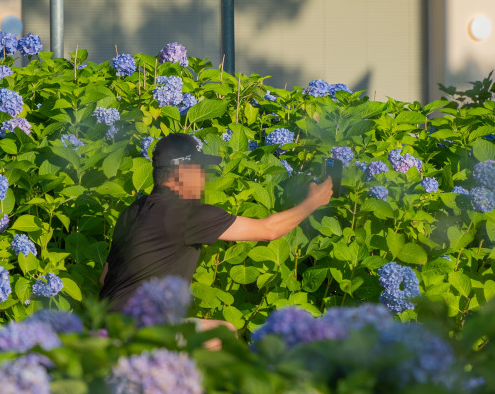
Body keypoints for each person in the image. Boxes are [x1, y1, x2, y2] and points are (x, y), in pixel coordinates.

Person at [99, 133, 333, 326]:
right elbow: (269, 230)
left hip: (106, 327)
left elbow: (104, 279)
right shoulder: (187, 213)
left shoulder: (133, 210)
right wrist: (312, 202)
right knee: (223, 334)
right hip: (143, 330)